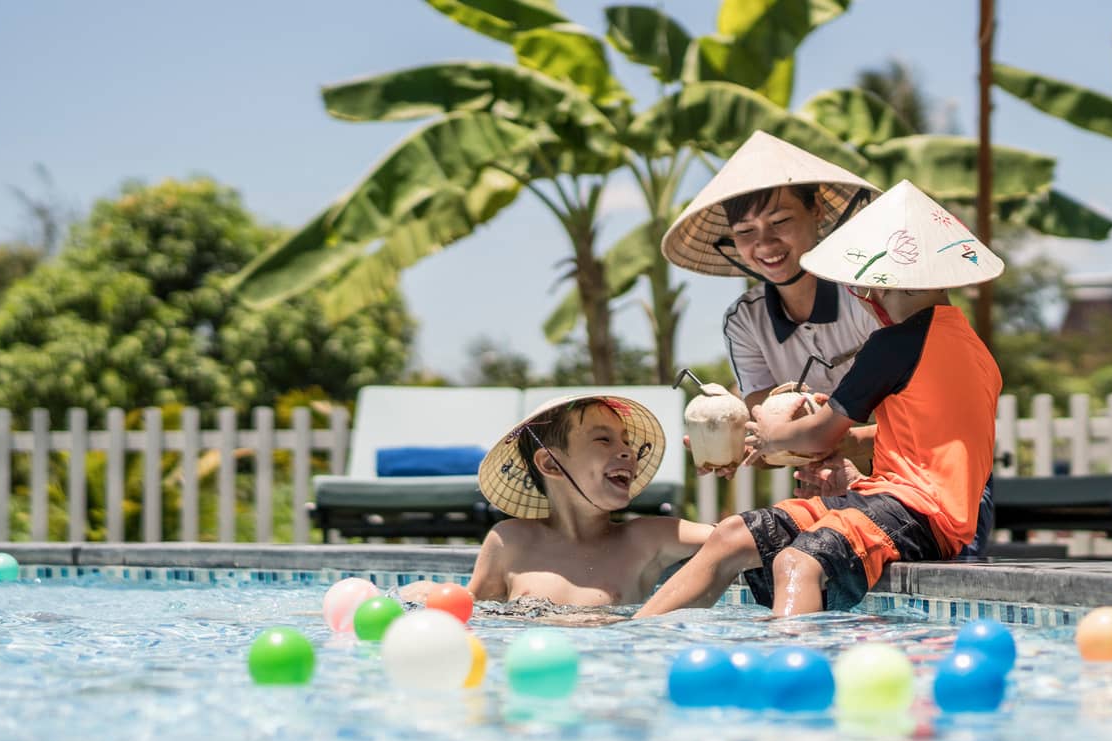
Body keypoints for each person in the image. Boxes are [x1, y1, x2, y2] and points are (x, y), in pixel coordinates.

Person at [635, 180, 1002, 618]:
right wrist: (753, 442)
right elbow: (918, 435)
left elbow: (817, 435)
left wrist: (769, 436)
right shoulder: (975, 349)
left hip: (921, 511)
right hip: (886, 496)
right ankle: (637, 634)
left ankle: (790, 677)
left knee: (798, 563)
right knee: (731, 535)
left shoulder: (892, 343)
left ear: (878, 289)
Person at [661, 130, 884, 475]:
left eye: (780, 221)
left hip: (917, 478)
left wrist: (834, 440)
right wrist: (731, 444)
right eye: (745, 231)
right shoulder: (744, 322)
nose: (765, 243)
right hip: (826, 489)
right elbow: (773, 440)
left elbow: (930, 415)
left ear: (817, 210)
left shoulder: (868, 296)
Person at [401, 395, 712, 607]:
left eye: (627, 442)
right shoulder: (510, 541)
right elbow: (474, 616)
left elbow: (742, 536)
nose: (627, 452)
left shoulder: (645, 538)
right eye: (604, 439)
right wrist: (426, 596)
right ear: (550, 465)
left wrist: (739, 456)